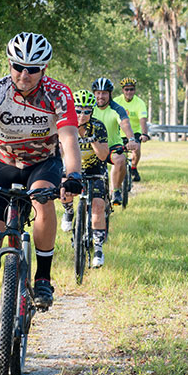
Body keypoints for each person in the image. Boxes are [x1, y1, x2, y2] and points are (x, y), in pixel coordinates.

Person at [0, 32, 83, 353]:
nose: (24, 75)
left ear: (45, 68)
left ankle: (43, 279)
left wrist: (73, 175)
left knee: (42, 197)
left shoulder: (58, 94)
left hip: (43, 165)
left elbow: (68, 137)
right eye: (18, 66)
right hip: (3, 165)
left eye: (33, 69)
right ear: (9, 64)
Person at [60, 90, 110, 268]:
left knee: (97, 206)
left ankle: (98, 249)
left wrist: (93, 140)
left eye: (87, 111)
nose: (82, 115)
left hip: (95, 168)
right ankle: (68, 211)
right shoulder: (66, 124)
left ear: (92, 112)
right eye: (78, 110)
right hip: (73, 168)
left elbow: (104, 156)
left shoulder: (98, 126)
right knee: (64, 192)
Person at [91, 77, 139, 206]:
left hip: (112, 146)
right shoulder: (89, 108)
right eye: (98, 93)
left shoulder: (117, 109)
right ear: (94, 94)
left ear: (110, 94)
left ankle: (116, 190)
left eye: (104, 93)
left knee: (120, 159)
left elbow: (125, 124)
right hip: (92, 148)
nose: (101, 96)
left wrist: (131, 140)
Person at [113, 77, 149, 182]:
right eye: (126, 89)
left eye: (132, 89)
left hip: (135, 132)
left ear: (135, 90)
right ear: (122, 90)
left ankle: (133, 167)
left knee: (136, 148)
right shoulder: (116, 101)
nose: (129, 92)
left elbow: (143, 120)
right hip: (119, 132)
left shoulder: (139, 103)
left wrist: (144, 134)